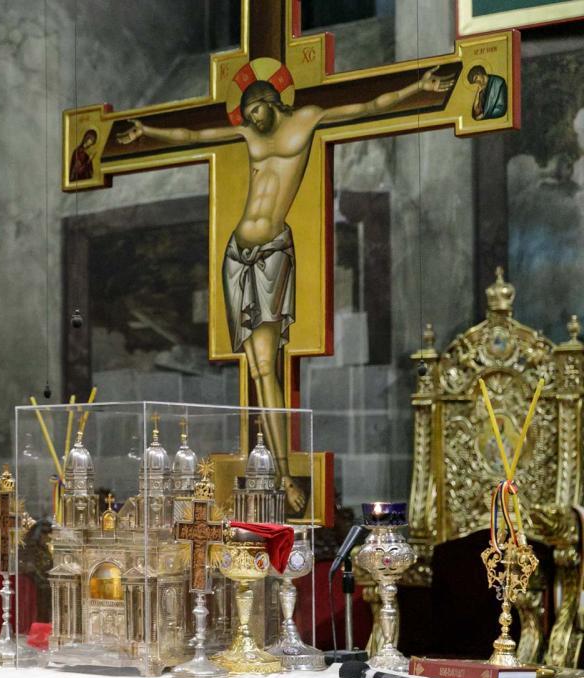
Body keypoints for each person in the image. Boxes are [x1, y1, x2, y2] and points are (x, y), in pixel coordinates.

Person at [118, 65, 453, 513]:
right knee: (257, 367)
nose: (254, 118)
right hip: (237, 253)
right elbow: (192, 136)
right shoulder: (247, 137)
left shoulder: (308, 117)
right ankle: (279, 473)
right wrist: (147, 132)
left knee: (270, 363)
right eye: (249, 112)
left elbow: (369, 106)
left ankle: (283, 473)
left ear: (274, 103)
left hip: (273, 252)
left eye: (259, 108)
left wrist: (417, 87)